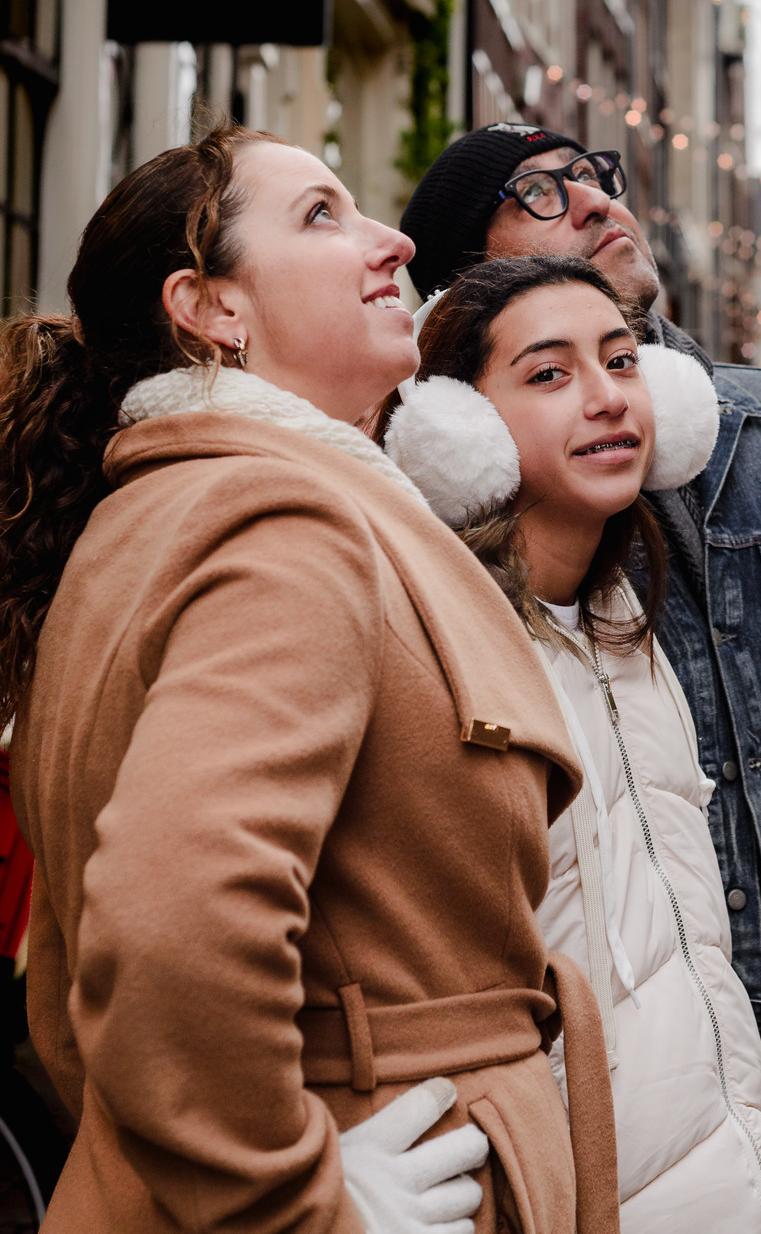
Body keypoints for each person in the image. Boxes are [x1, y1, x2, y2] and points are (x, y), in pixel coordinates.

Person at [0, 128, 619, 1234]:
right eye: (322, 215)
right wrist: (298, 1201)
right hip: (390, 1164)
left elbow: (67, 979)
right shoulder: (287, 524)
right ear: (213, 308)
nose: (394, 239)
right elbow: (162, 930)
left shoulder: (147, 514)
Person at [400, 125, 761, 1234]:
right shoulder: (429, 483)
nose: (601, 199)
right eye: (543, 192)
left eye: (601, 174)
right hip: (605, 1062)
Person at [386, 255, 761, 1233]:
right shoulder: (431, 644)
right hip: (559, 1189)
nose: (609, 398)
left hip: (718, 1172)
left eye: (621, 361)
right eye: (550, 373)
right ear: (457, 428)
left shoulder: (624, 616)